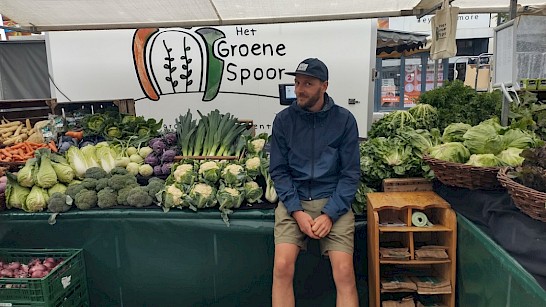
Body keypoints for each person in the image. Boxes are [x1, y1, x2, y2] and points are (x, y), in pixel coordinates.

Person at [269, 58, 360, 307]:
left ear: (324, 86)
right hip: (293, 203)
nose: (299, 89)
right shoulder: (283, 120)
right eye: (297, 83)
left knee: (343, 271)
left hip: (333, 201)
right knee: (282, 266)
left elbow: (350, 174)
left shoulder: (344, 120)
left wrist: (330, 214)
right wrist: (297, 212)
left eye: (308, 83)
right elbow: (278, 171)